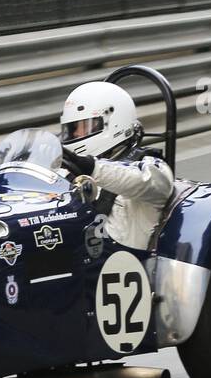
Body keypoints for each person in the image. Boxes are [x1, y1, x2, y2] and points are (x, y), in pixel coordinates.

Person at [56, 81, 174, 251]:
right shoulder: (70, 172)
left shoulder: (150, 166)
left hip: (125, 263)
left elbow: (148, 183)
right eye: (71, 128)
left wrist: (92, 168)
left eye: (83, 127)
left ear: (114, 123)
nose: (75, 134)